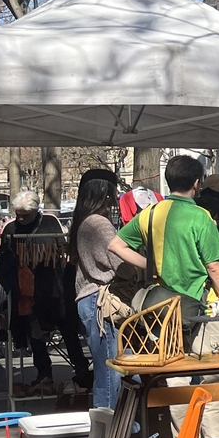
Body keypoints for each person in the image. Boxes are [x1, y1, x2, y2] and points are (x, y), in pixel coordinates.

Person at [109, 156, 219, 438]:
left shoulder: (152, 213)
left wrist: (148, 265)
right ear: (196, 183)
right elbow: (215, 267)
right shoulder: (201, 216)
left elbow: (114, 244)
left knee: (176, 381)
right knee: (217, 378)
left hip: (164, 312)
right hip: (203, 310)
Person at [0, 190, 92, 394]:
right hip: (28, 295)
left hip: (55, 291)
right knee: (36, 336)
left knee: (69, 332)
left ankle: (82, 372)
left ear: (36, 210)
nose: (20, 218)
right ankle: (44, 375)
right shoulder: (11, 228)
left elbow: (65, 253)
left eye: (25, 215)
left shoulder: (50, 223)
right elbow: (3, 264)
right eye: (18, 213)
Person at [70, 170, 125, 409]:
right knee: (111, 373)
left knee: (107, 372)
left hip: (91, 301)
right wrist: (152, 266)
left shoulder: (83, 220)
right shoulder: (97, 223)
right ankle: (112, 435)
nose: (117, 196)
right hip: (101, 302)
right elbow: (117, 260)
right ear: (106, 191)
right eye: (115, 190)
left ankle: (111, 433)